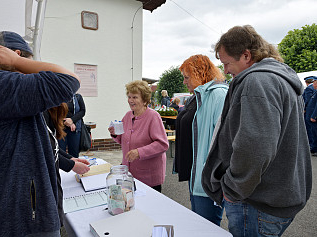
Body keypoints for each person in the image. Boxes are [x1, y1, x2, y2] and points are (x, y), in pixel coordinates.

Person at [0, 31, 81, 236]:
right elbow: (68, 80)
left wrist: (68, 160)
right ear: (15, 55)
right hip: (12, 219)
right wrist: (19, 61)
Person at [201, 25, 312, 236]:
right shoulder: (280, 78)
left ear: (246, 55)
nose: (225, 71)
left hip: (257, 202)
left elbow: (255, 147)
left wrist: (233, 189)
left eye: (226, 63)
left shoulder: (256, 81)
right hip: (278, 196)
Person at [173, 55, 228, 226]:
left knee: (207, 225)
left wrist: (211, 172)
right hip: (195, 173)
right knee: (198, 222)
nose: (184, 82)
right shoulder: (196, 98)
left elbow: (223, 140)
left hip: (207, 177)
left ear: (200, 74)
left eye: (187, 77)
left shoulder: (218, 95)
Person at [108, 80, 169, 192]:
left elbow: (162, 144)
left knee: (148, 208)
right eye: (129, 97)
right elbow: (123, 140)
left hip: (148, 177)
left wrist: (139, 152)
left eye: (135, 97)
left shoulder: (153, 116)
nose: (130, 100)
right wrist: (114, 133)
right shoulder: (128, 116)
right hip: (129, 175)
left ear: (144, 99)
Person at [43, 105, 90, 234]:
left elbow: (54, 146)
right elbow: (47, 150)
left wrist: (71, 159)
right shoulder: (41, 116)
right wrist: (72, 165)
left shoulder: (46, 115)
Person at [58, 93, 86, 157]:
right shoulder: (58, 95)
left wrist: (72, 120)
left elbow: (82, 111)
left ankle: (74, 166)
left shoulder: (77, 97)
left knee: (74, 154)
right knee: (61, 153)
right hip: (60, 128)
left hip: (75, 129)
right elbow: (55, 111)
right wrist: (66, 121)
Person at [302, 76, 317, 147]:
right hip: (313, 111)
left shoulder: (308, 88)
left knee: (310, 129)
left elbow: (307, 100)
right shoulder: (313, 88)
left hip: (310, 112)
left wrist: (304, 109)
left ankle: (312, 145)